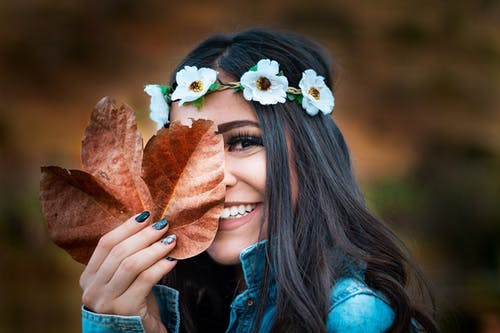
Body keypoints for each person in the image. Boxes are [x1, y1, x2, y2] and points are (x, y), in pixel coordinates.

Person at [79, 28, 438, 333]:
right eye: (187, 154)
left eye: (244, 142)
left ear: (312, 154)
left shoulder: (352, 318)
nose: (212, 181)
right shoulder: (197, 307)